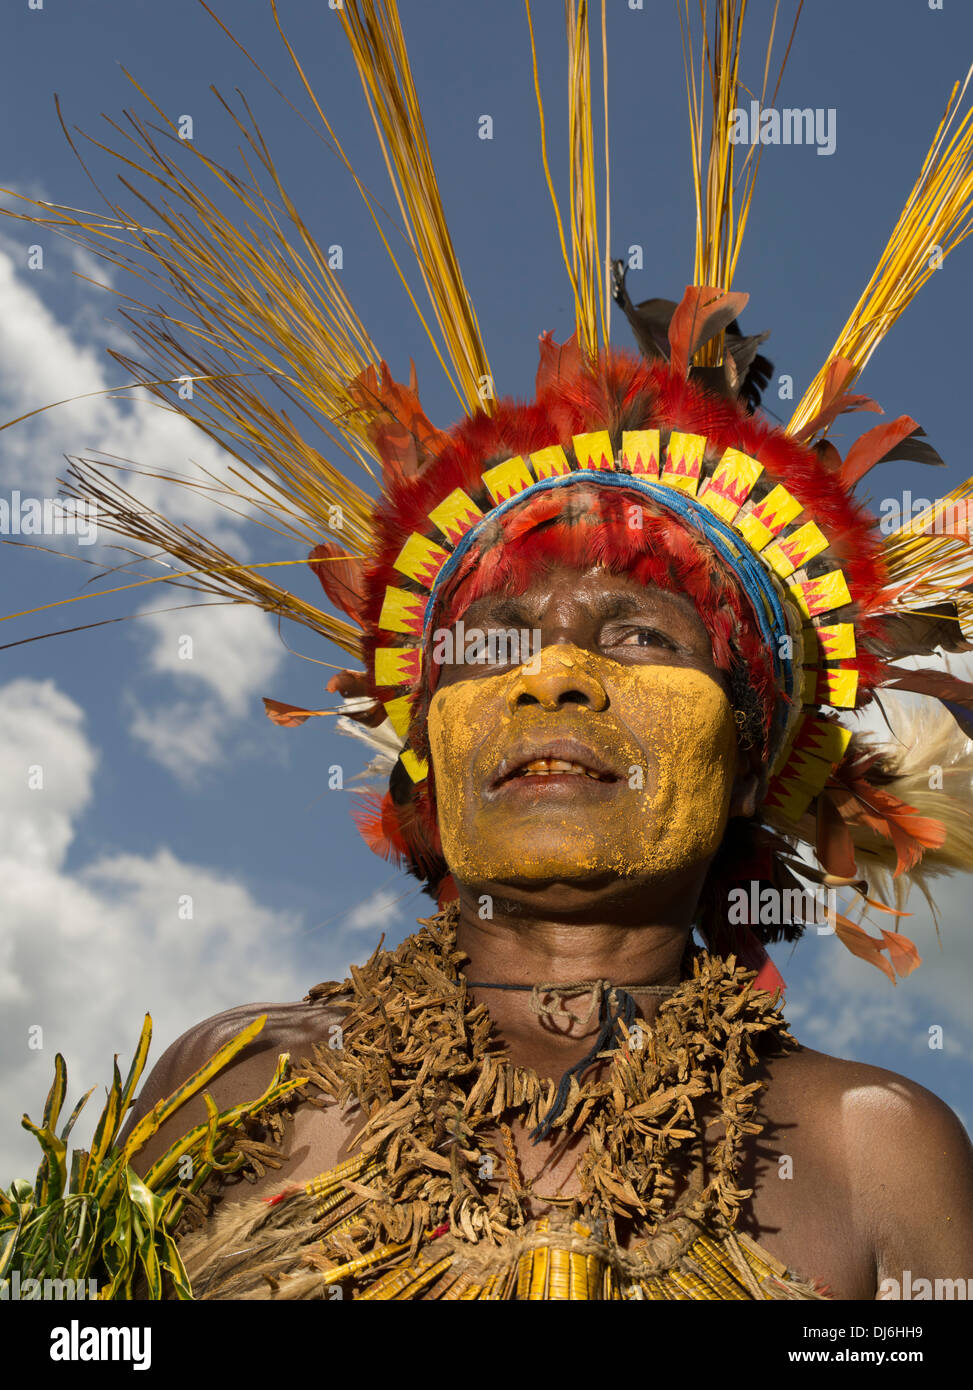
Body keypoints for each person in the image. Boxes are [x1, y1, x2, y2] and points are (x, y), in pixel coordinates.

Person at [5, 0, 973, 1300]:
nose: (551, 675)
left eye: (638, 633)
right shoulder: (236, 1085)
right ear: (427, 748)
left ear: (755, 758)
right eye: (495, 640)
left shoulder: (873, 1152)